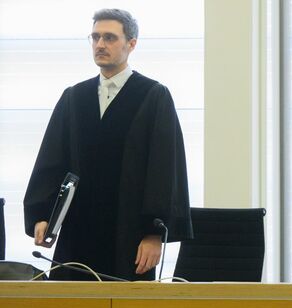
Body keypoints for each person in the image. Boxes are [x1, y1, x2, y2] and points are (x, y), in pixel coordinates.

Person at [23, 9, 193, 281]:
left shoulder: (153, 96)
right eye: (95, 37)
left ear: (131, 43)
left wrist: (153, 234)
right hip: (78, 233)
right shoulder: (74, 98)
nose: (100, 44)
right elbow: (51, 161)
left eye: (110, 38)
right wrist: (43, 216)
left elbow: (164, 169)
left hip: (130, 237)